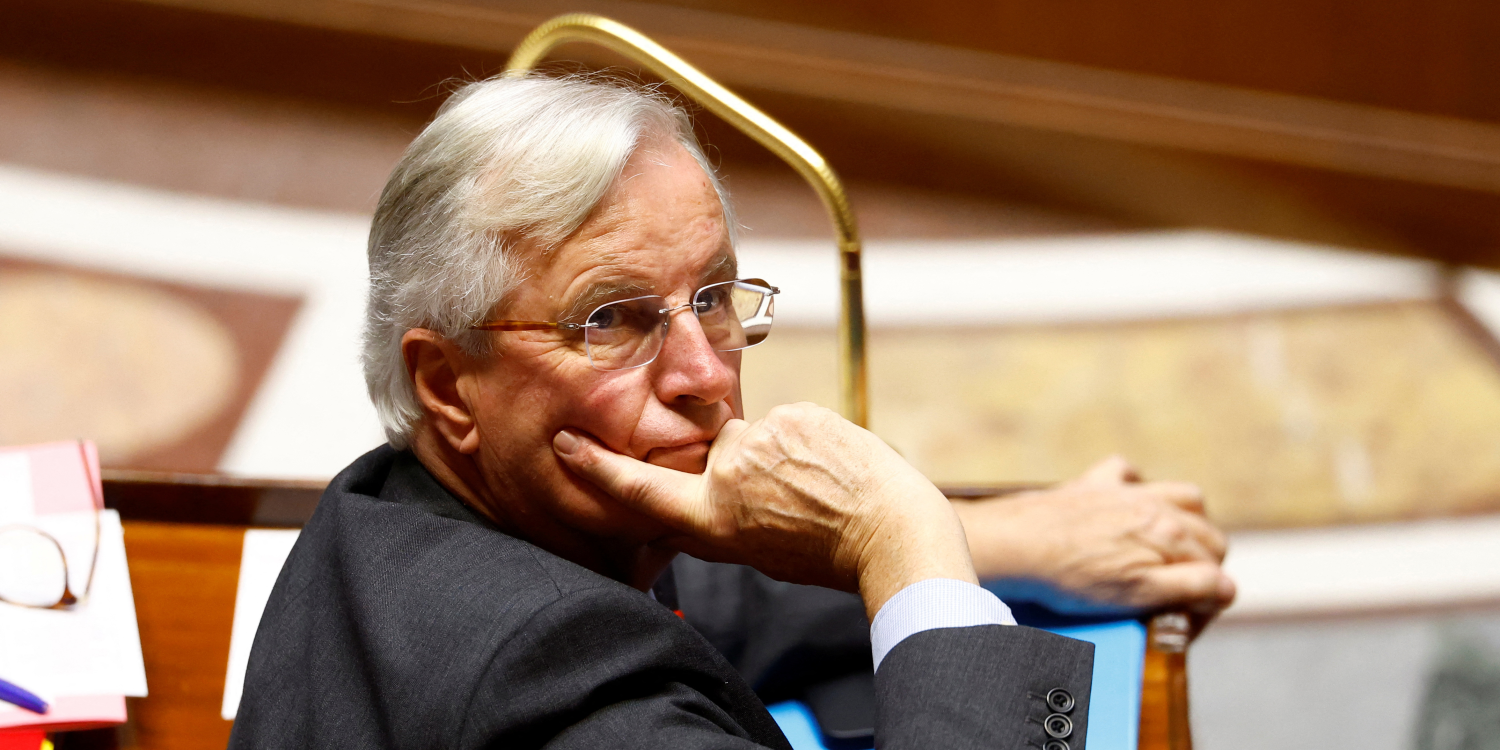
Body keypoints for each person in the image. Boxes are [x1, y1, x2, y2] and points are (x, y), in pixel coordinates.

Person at [228, 74, 1231, 750]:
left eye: (712, 295)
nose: (706, 373)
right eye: (613, 319)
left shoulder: (408, 511)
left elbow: (686, 596)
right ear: (449, 383)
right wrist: (907, 543)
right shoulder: (570, 703)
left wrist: (1004, 536)